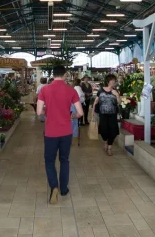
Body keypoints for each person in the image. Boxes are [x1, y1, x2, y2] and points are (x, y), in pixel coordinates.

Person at [37, 65, 83, 204]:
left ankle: (54, 187)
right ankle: (63, 189)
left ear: (53, 74)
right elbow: (80, 113)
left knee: (49, 161)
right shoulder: (71, 90)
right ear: (64, 75)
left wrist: (48, 111)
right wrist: (71, 116)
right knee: (64, 160)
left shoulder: (44, 89)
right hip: (66, 132)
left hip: (50, 132)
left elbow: (39, 112)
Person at [93, 74, 121, 157]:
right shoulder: (101, 90)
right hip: (103, 114)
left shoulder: (115, 91)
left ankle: (109, 147)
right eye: (112, 80)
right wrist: (93, 112)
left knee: (113, 131)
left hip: (113, 114)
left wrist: (117, 95)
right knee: (103, 130)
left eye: (114, 81)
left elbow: (119, 102)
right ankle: (105, 140)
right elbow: (96, 101)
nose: (113, 82)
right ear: (108, 81)